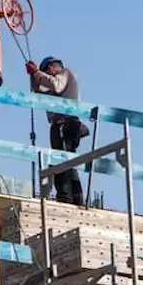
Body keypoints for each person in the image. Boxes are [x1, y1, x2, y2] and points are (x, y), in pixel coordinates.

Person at [26, 56, 88, 204]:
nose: (47, 74)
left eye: (46, 71)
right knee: (66, 161)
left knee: (62, 161)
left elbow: (55, 85)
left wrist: (37, 73)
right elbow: (39, 92)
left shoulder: (65, 74)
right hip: (64, 123)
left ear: (52, 67)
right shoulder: (58, 87)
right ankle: (74, 198)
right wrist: (34, 76)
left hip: (65, 123)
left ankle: (67, 197)